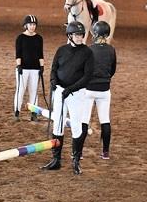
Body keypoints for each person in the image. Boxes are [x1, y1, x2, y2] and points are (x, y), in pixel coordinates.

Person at [41, 21, 94, 175]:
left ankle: (76, 160)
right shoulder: (62, 50)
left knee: (77, 126)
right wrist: (53, 82)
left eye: (81, 35)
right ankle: (56, 159)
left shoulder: (87, 53)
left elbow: (87, 76)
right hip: (60, 91)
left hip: (76, 94)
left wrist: (70, 89)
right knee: (58, 123)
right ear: (70, 36)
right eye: (77, 35)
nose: (80, 37)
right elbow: (54, 68)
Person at [80, 21, 116, 160]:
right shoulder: (111, 49)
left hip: (89, 89)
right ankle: (105, 152)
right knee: (105, 120)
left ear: (94, 33)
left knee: (84, 120)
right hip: (104, 89)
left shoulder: (88, 49)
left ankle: (79, 152)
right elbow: (112, 70)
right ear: (107, 34)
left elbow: (84, 70)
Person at [14, 15, 44, 121]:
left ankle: (34, 113)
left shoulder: (39, 38)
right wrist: (19, 65)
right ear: (26, 25)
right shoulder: (20, 38)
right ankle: (17, 111)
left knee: (34, 91)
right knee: (20, 90)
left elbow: (41, 54)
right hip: (23, 69)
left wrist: (42, 66)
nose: (32, 27)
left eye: (34, 25)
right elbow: (18, 54)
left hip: (35, 69)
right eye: (30, 24)